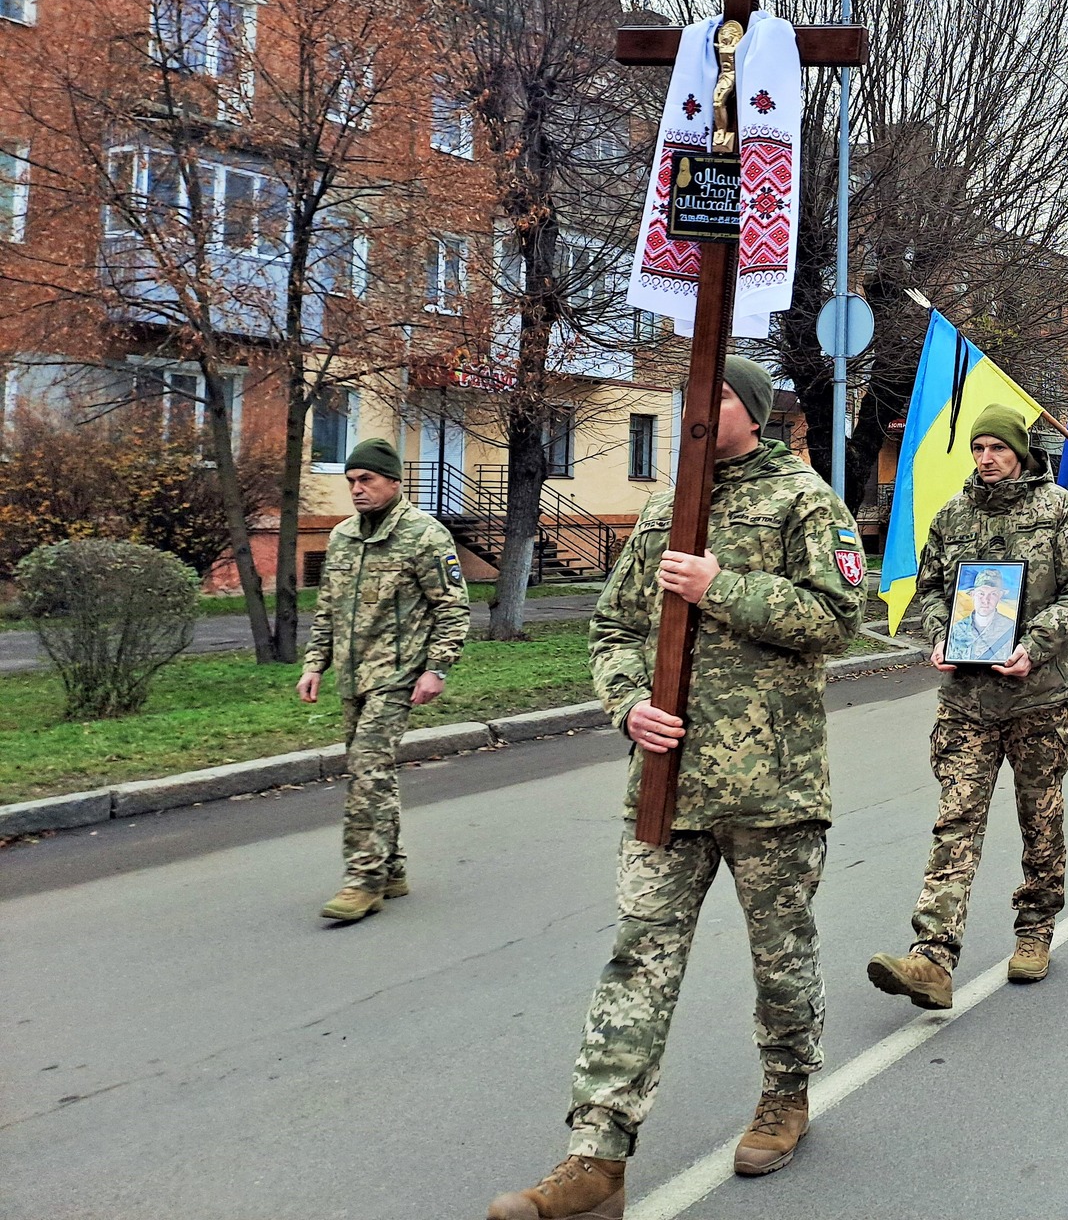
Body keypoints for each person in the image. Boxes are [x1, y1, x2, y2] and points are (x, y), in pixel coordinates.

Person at [487, 358, 863, 1217]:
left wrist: (720, 588)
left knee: (781, 957)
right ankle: (597, 1158)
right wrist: (626, 706)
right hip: (666, 785)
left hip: (772, 785)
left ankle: (785, 1095)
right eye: (691, 395)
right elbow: (614, 626)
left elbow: (841, 620)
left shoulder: (804, 500)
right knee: (637, 960)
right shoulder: (665, 507)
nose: (697, 406)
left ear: (753, 413)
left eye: (716, 395)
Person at [868, 406, 1068, 1013]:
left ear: (1020, 452)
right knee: (955, 822)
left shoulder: (1059, 511)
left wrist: (1034, 645)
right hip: (967, 702)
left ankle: (1034, 929)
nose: (986, 458)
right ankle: (933, 956)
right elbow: (932, 590)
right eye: (978, 448)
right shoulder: (952, 515)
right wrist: (939, 635)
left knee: (1039, 819)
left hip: (1038, 698)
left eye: (997, 447)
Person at [298, 438, 470, 925]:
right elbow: (328, 609)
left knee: (367, 769)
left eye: (367, 479)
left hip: (398, 676)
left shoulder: (425, 536)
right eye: (351, 480)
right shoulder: (342, 537)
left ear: (394, 482)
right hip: (352, 676)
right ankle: (392, 869)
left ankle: (363, 880)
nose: (357, 489)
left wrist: (437, 669)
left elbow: (453, 610)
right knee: (370, 772)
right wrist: (315, 664)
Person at [946, 567, 1018, 662]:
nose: (985, 600)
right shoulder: (957, 629)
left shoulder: (1011, 628)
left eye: (993, 594)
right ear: (972, 595)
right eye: (981, 593)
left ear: (1000, 596)